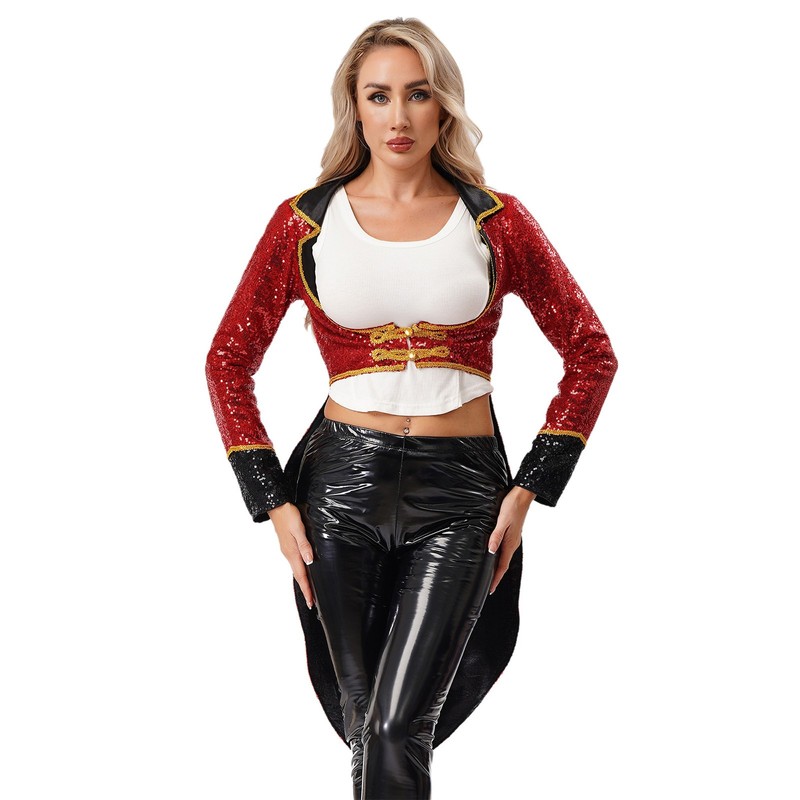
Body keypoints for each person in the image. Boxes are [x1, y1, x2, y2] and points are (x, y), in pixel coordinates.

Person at [206, 17, 617, 800]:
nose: (398, 116)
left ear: (443, 106)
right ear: (354, 108)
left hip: (461, 494)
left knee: (397, 728)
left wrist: (529, 487)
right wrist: (273, 500)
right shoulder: (304, 221)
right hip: (338, 489)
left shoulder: (497, 220)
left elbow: (590, 350)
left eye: (418, 94)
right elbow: (227, 359)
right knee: (366, 724)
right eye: (379, 95)